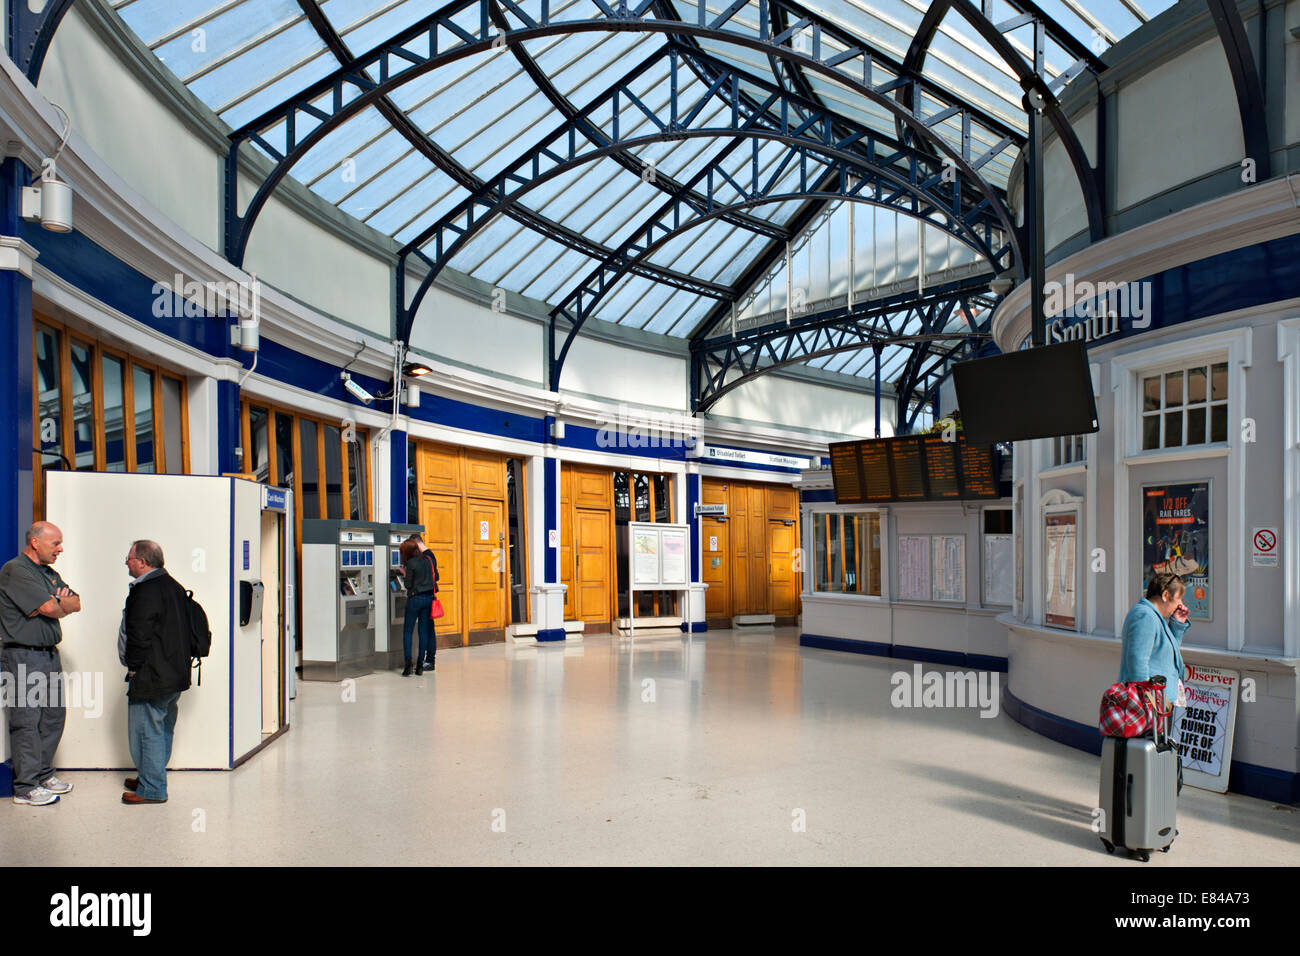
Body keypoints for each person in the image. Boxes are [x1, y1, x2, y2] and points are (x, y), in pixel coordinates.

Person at [0, 522, 81, 806]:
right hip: (23, 655)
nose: (60, 549)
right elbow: (51, 608)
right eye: (55, 543)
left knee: (53, 717)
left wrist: (54, 603)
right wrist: (57, 603)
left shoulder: (48, 573)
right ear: (35, 542)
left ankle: (43, 774)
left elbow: (77, 603)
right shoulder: (16, 570)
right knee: (27, 721)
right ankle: (25, 788)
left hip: (48, 654)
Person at [119, 540, 192, 805]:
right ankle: (152, 776)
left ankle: (152, 789)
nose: (126, 562)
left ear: (142, 562)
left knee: (145, 730)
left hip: (152, 675)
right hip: (175, 673)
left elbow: (139, 635)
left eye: (128, 558)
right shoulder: (173, 586)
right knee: (162, 728)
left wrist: (134, 667)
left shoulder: (146, 591)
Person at [1119, 569, 1190, 794]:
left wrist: (1177, 625)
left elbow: (1165, 652)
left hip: (1158, 703)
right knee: (1145, 763)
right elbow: (1137, 661)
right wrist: (1146, 703)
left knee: (1153, 761)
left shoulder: (1155, 617)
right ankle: (1144, 815)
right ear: (1166, 595)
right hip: (1149, 704)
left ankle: (1153, 813)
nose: (1180, 604)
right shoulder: (1145, 616)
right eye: (1178, 598)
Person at [399, 534, 438, 676]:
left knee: (408, 631)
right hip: (428, 599)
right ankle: (420, 665)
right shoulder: (428, 560)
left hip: (415, 599)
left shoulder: (411, 563)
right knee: (424, 632)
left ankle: (408, 664)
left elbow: (408, 584)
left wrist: (404, 574)